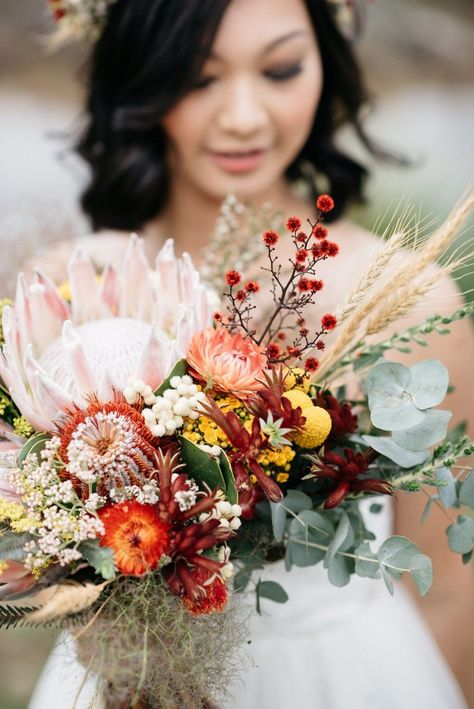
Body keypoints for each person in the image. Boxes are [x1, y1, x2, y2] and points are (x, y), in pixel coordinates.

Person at [28, 0, 473, 707]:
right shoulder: (73, 289)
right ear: (142, 75)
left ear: (327, 62)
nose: (242, 116)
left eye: (280, 69)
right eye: (199, 78)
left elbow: (451, 586)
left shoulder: (406, 299)